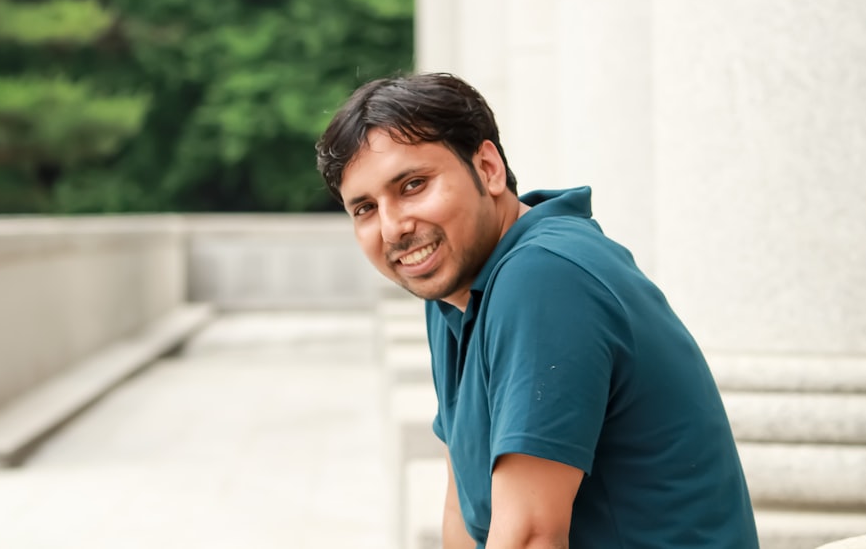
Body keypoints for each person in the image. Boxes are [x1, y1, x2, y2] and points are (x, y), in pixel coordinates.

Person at [315, 72, 759, 548]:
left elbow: (530, 538)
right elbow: (464, 511)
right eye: (364, 209)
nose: (393, 228)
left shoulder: (545, 278)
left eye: (413, 185)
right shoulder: (457, 287)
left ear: (487, 168)